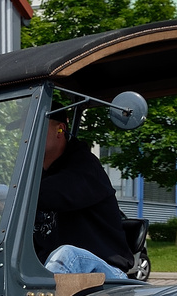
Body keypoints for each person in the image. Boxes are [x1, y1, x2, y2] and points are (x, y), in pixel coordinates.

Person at [34, 117, 132, 280]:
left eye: (34, 127)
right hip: (58, 271)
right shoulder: (35, 175)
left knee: (68, 254)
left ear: (60, 129)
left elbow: (48, 194)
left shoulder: (85, 168)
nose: (27, 136)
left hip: (106, 273)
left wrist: (3, 194)